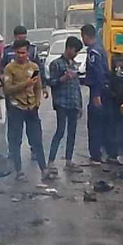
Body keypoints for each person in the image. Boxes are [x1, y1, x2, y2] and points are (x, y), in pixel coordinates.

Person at [3, 39, 47, 180]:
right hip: (16, 107)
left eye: (23, 52)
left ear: (28, 52)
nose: (21, 55)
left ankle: (44, 169)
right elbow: (8, 89)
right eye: (18, 52)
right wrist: (25, 84)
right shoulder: (10, 69)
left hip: (31, 107)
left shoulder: (34, 67)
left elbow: (37, 86)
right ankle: (18, 170)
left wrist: (37, 101)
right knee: (16, 141)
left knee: (36, 140)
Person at [81, 24, 118, 165]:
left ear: (84, 36)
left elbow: (98, 74)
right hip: (106, 90)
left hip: (98, 92)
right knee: (108, 123)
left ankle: (96, 156)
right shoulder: (101, 49)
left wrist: (96, 94)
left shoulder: (93, 53)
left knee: (95, 125)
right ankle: (112, 154)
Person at [47, 36, 83, 174]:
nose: (76, 54)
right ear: (69, 48)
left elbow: (77, 87)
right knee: (60, 131)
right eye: (75, 51)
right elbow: (52, 82)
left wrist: (79, 104)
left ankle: (69, 160)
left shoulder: (74, 65)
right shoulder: (56, 64)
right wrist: (63, 78)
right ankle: (50, 161)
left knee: (72, 133)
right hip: (61, 102)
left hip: (73, 103)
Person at [0, 26, 48, 96]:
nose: (22, 40)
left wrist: (43, 86)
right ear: (14, 37)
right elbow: (1, 67)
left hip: (29, 87)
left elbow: (39, 68)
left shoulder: (32, 49)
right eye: (19, 38)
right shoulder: (7, 50)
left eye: (24, 38)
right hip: (13, 88)